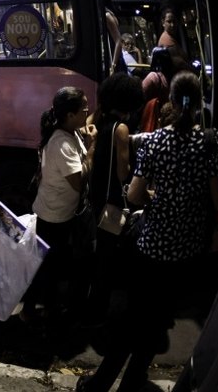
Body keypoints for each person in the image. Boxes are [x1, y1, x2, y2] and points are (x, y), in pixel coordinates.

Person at [76, 71, 218, 392]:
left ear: (171, 101)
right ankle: (132, 383)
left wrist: (159, 200)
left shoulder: (155, 141)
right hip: (185, 254)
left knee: (132, 320)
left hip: (150, 248)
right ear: (198, 104)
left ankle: (99, 384)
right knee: (156, 324)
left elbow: (134, 195)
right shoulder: (209, 142)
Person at [20, 86, 96, 330]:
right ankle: (34, 312)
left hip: (57, 212)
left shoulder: (68, 131)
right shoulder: (61, 143)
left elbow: (88, 122)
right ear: (70, 115)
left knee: (49, 264)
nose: (88, 112)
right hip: (52, 217)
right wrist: (92, 149)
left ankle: (43, 308)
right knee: (47, 267)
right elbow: (77, 182)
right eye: (84, 109)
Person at [83, 73, 144, 325]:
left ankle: (91, 302)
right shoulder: (121, 129)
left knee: (99, 254)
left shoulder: (98, 120)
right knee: (107, 258)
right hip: (112, 200)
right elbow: (122, 172)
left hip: (96, 194)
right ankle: (98, 311)